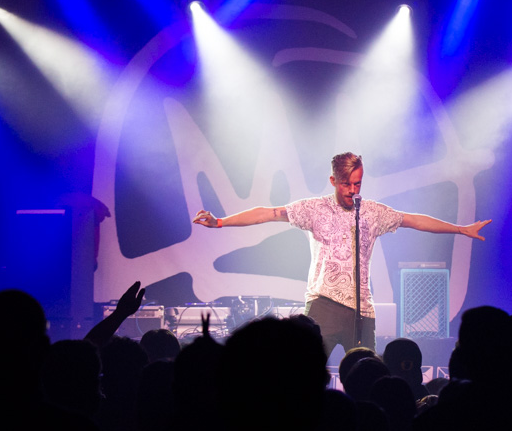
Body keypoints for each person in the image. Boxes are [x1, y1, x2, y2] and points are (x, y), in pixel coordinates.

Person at [193, 152, 491, 355]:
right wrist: (220, 222)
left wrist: (460, 229)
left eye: (358, 183)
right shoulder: (313, 209)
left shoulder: (372, 212)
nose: (352, 189)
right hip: (322, 303)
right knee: (306, 376)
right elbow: (268, 213)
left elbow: (413, 220)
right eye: (346, 183)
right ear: (334, 180)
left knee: (365, 377)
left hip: (362, 311)